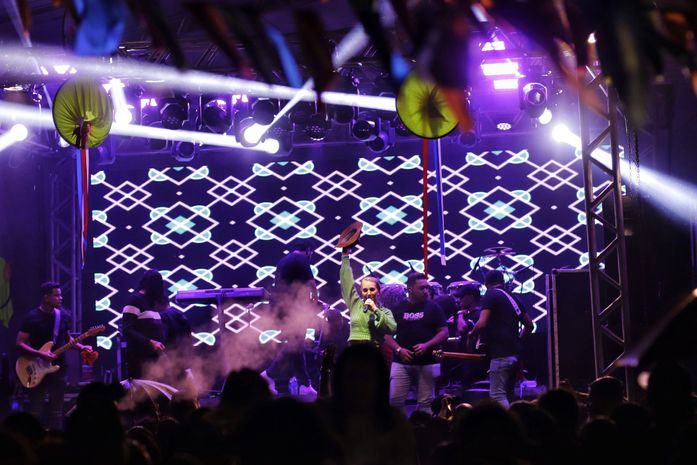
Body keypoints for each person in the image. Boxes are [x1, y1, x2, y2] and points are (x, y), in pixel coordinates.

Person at [16, 282, 92, 429]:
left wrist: (81, 347)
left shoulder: (63, 315)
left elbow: (67, 339)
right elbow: (20, 343)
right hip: (36, 367)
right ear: (46, 297)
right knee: (35, 410)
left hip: (59, 368)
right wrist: (39, 354)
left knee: (57, 411)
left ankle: (56, 439)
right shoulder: (31, 317)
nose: (61, 298)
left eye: (60, 295)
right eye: (57, 295)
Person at [467, 270, 534, 408]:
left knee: (497, 395)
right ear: (502, 282)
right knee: (509, 394)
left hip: (500, 354)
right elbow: (530, 325)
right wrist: (517, 341)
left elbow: (482, 322)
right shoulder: (513, 297)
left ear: (486, 284)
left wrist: (471, 334)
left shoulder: (490, 294)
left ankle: (506, 421)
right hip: (515, 355)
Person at [384, 272, 449, 413]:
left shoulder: (434, 307)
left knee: (426, 403)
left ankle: (422, 426)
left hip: (427, 362)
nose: (426, 291)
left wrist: (427, 345)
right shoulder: (397, 308)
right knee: (394, 401)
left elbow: (444, 332)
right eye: (421, 288)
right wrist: (399, 350)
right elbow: (387, 335)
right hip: (401, 362)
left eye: (427, 287)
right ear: (410, 289)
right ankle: (401, 427)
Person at [262, 239, 319, 396]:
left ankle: (304, 384)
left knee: (296, 346)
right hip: (292, 309)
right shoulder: (301, 259)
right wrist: (315, 302)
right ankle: (269, 374)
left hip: (281, 308)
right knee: (294, 345)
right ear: (308, 250)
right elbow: (312, 284)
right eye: (311, 253)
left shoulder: (283, 261)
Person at [340, 248, 396, 346]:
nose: (369, 293)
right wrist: (345, 256)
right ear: (361, 292)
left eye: (372, 289)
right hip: (355, 350)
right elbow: (346, 281)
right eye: (365, 290)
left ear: (378, 291)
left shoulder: (385, 312)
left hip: (374, 351)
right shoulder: (356, 305)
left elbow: (392, 328)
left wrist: (375, 309)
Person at [121, 269, 167, 379]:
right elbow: (127, 329)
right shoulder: (135, 300)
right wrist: (150, 342)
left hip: (153, 362)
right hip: (140, 362)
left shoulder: (151, 303)